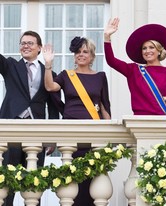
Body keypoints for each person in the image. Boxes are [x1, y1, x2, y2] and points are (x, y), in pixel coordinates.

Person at [43, 36, 111, 206]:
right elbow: (50, 87)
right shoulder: (67, 75)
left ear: (92, 56)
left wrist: (109, 131)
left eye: (85, 52)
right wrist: (48, 64)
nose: (81, 55)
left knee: (94, 177)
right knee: (73, 178)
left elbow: (104, 105)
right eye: (78, 52)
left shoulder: (100, 76)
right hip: (71, 131)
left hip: (94, 132)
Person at [0, 30, 61, 206]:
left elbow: (54, 107)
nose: (25, 46)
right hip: (11, 128)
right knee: (7, 181)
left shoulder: (49, 72)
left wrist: (52, 137)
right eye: (23, 43)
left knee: (35, 183)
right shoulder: (11, 66)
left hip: (37, 132)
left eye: (30, 43)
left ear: (39, 48)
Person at [104, 18, 166, 115]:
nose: (147, 51)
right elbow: (111, 61)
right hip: (140, 122)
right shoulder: (133, 70)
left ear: (159, 50)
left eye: (151, 47)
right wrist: (107, 37)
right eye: (144, 48)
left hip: (164, 121)